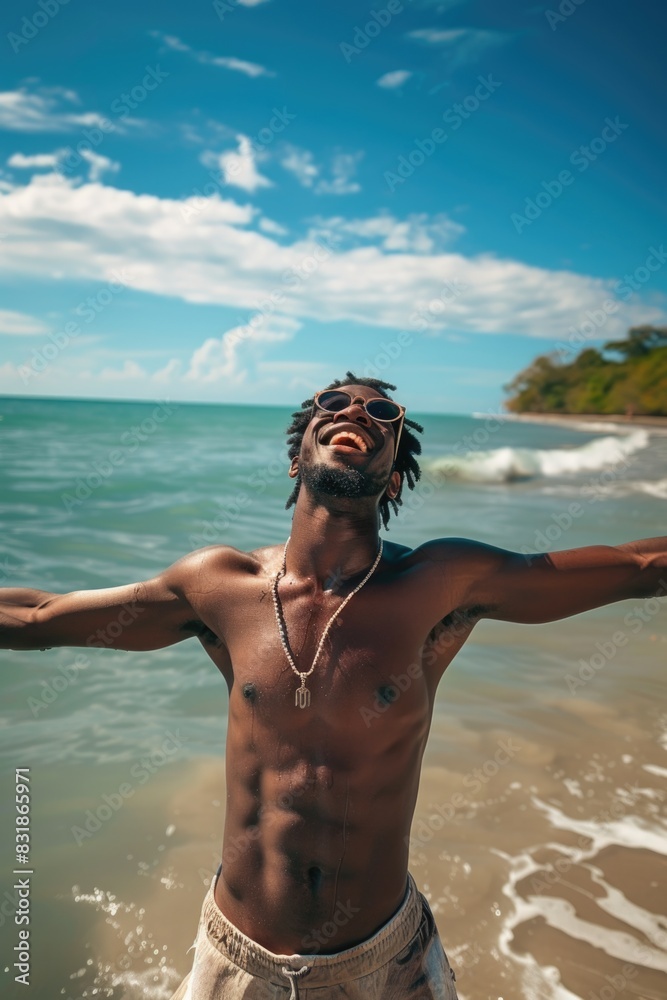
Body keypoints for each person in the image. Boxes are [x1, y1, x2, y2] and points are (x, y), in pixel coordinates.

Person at [1, 373, 665, 999]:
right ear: (296, 459)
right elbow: (39, 618)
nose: (355, 412)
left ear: (394, 480)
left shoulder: (441, 583)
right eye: (334, 403)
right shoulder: (217, 586)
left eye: (382, 414)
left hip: (387, 960)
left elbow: (639, 566)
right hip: (240, 959)